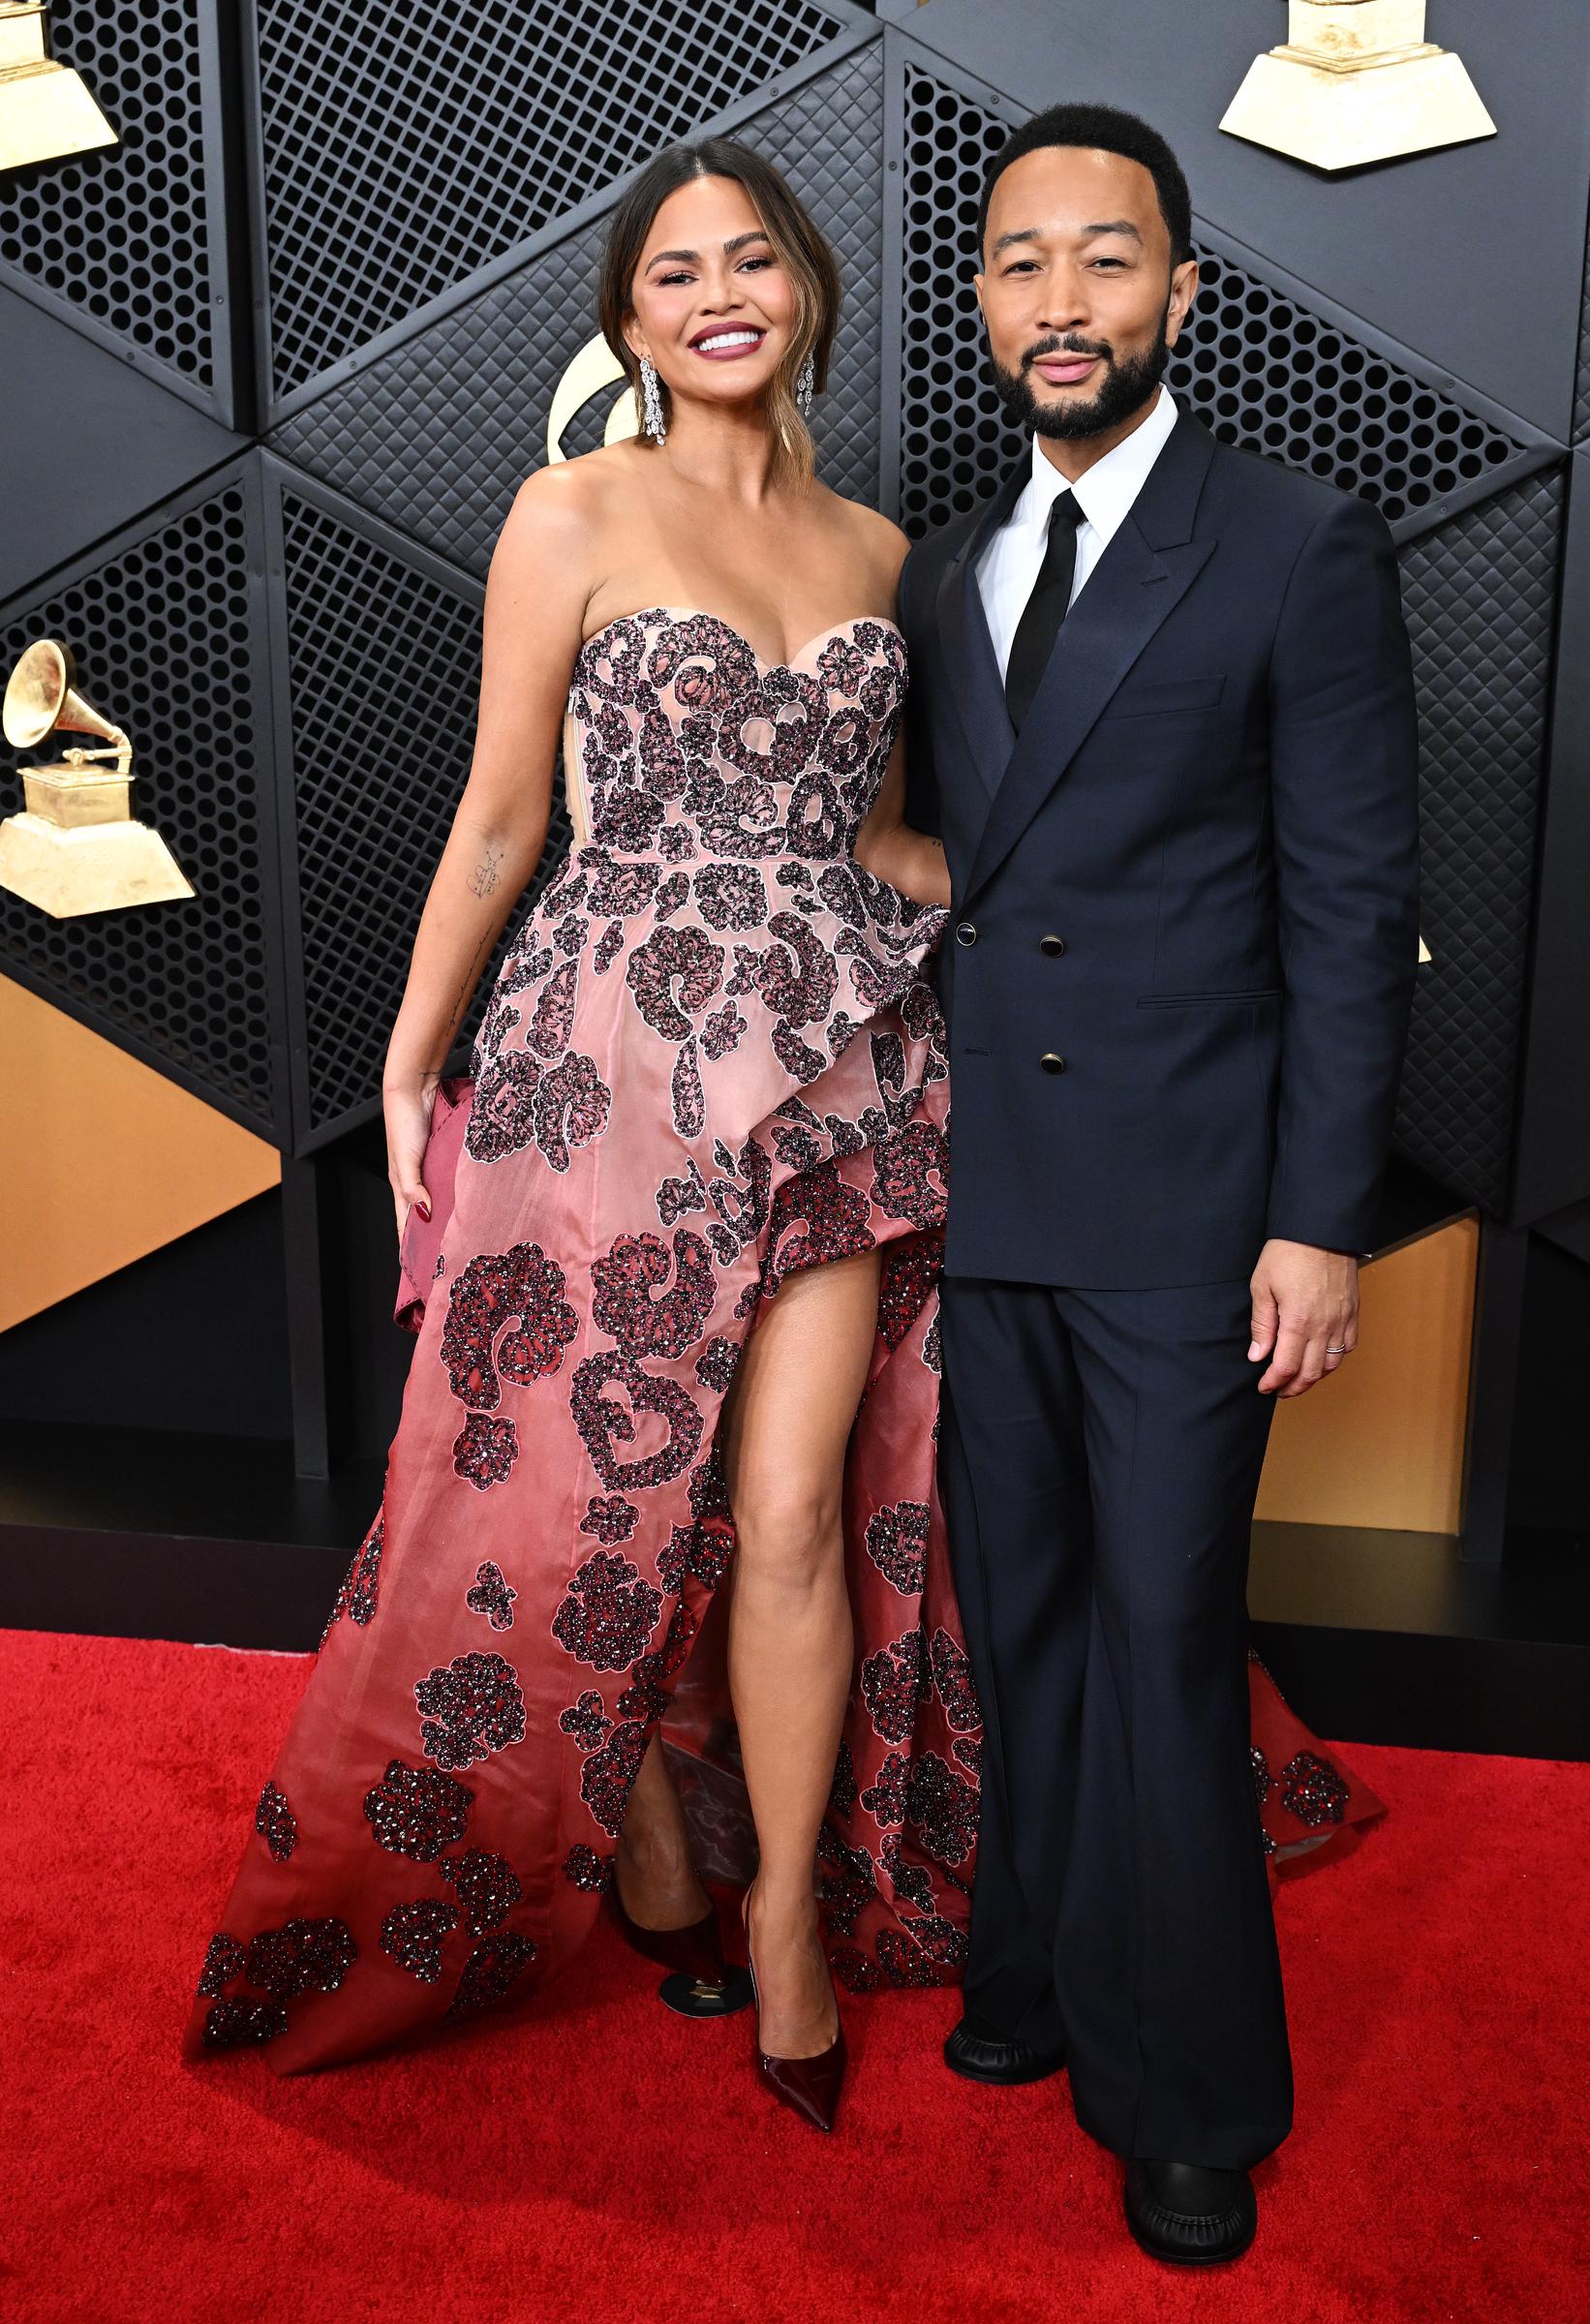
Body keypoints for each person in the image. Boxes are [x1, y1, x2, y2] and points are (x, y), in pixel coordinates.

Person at [180, 135, 1381, 2141]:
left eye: (752, 258)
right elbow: (501, 822)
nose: (718, 292)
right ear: (629, 320)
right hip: (599, 1071)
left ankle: (800, 1933)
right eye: (673, 273)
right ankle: (652, 1844)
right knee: (588, 1504)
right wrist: (407, 1064)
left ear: (806, 290)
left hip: (825, 1078)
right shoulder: (567, 514)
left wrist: (1159, 909)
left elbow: (909, 840)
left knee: (799, 1509)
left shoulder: (884, 551)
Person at [898, 105, 1420, 2261]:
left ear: (1183, 292)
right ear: (988, 303)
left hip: (1199, 1213)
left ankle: (1194, 2085)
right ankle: (1034, 1970)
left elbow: (1352, 897)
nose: (1059, 304)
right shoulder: (946, 566)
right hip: (990, 1189)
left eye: (1105, 262)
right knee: (1014, 1620)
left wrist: (1319, 1219)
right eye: (1021, 265)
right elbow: (963, 872)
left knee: (1166, 1633)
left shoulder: (1292, 540)